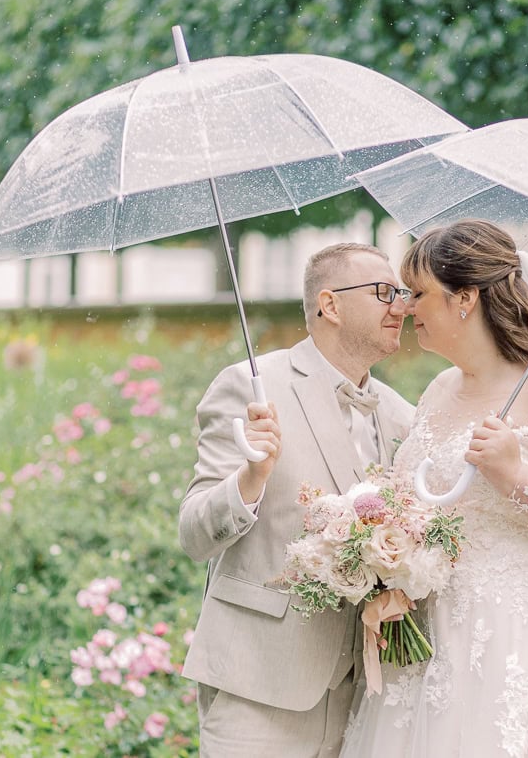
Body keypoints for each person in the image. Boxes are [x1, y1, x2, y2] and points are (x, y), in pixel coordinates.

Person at [342, 219, 528, 757]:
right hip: (426, 642)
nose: (406, 307)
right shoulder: (439, 389)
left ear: (465, 298)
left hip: (517, 644)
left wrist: (517, 477)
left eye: (418, 293)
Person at [179, 242, 416, 757]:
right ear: (330, 305)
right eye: (384, 292)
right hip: (258, 686)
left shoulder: (402, 415)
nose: (401, 305)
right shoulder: (251, 387)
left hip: (364, 696)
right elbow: (194, 535)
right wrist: (251, 477)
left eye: (402, 293)